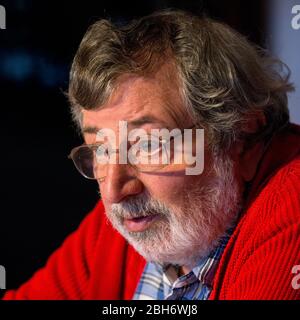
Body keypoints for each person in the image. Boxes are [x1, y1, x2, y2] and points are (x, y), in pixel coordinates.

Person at [3, 9, 300, 300]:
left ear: (242, 141)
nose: (114, 191)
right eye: (102, 151)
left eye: (149, 145)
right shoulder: (130, 223)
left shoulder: (291, 205)